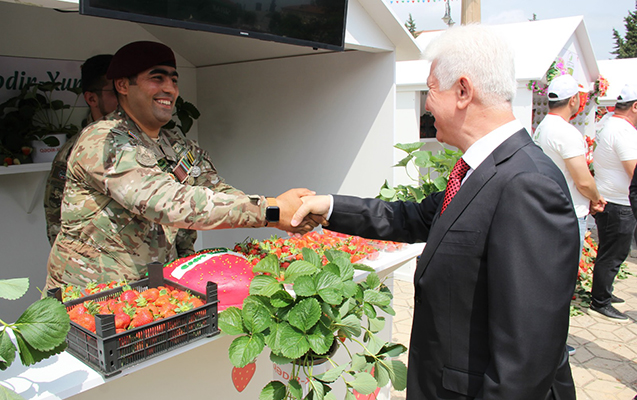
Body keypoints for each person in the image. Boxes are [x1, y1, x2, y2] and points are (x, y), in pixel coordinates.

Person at [291, 25, 579, 400]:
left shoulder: (527, 185)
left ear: (463, 91)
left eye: (431, 89)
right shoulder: (483, 171)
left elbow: (526, 361)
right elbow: (410, 217)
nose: (427, 104)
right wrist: (328, 206)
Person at [44, 41, 314, 293]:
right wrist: (271, 211)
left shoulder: (175, 144)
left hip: (151, 292)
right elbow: (165, 202)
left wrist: (294, 211)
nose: (170, 89)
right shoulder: (102, 140)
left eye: (174, 80)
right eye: (157, 78)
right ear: (123, 85)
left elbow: (216, 191)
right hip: (92, 298)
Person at [43, 54, 118, 245]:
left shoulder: (147, 142)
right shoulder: (73, 153)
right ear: (92, 98)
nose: (125, 97)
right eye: (115, 91)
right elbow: (57, 222)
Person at [533, 74, 605, 250]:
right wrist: (596, 198)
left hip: (550, 207)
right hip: (570, 212)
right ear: (573, 100)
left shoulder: (542, 127)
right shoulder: (566, 132)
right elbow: (583, 181)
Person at [589, 83, 637, 321]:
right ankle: (600, 301)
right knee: (613, 255)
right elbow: (634, 171)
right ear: (635, 107)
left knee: (611, 253)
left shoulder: (610, 124)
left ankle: (603, 292)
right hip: (618, 204)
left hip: (612, 201)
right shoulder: (623, 131)